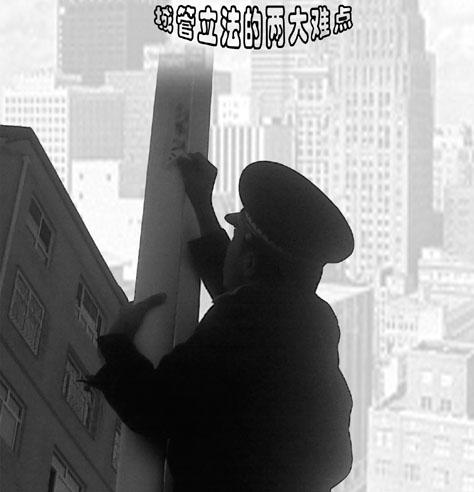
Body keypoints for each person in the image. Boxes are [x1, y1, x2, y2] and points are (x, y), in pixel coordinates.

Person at [85, 153, 355, 492]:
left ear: (250, 262)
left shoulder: (243, 328)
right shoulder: (308, 327)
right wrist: (202, 204)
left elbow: (152, 407)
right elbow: (248, 294)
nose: (230, 248)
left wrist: (117, 342)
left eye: (236, 237)